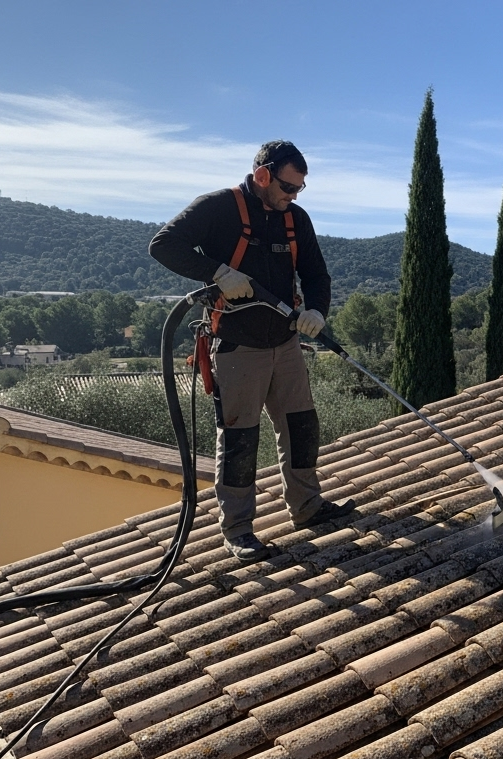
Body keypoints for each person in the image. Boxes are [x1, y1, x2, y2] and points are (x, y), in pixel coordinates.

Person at [150, 140, 354, 561]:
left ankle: (308, 506)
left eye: (299, 189)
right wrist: (218, 272)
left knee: (301, 427)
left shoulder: (295, 219)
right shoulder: (218, 208)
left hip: (286, 341)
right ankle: (239, 529)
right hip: (237, 345)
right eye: (287, 187)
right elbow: (164, 245)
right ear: (262, 175)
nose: (292, 196)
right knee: (240, 439)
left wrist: (317, 309)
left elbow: (316, 273)